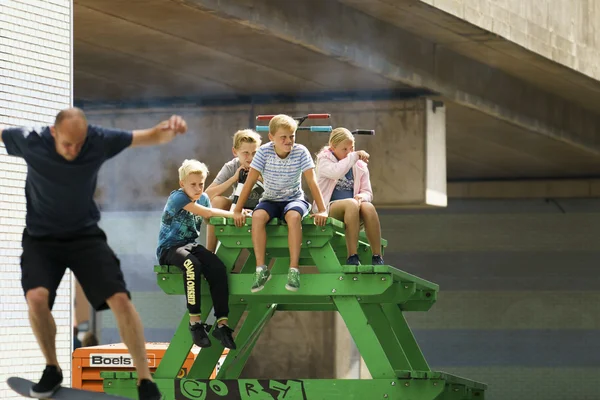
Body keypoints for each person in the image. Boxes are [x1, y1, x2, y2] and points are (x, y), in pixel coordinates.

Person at [0, 107, 187, 400]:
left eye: (79, 144)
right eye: (66, 144)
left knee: (121, 301)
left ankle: (145, 381)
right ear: (53, 133)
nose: (74, 150)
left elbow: (148, 137)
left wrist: (169, 129)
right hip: (41, 240)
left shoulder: (97, 139)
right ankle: (52, 368)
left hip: (85, 237)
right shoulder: (31, 139)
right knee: (36, 298)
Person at [232, 114, 328, 292]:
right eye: (283, 137)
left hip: (294, 199)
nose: (288, 141)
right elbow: (250, 181)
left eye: (291, 136)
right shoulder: (263, 152)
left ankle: (294, 269)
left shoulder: (301, 152)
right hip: (270, 200)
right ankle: (261, 269)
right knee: (258, 216)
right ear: (271, 138)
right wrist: (237, 210)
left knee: (293, 217)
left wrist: (322, 210)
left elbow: (312, 181)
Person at [156, 159, 242, 350]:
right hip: (170, 248)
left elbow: (211, 220)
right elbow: (208, 213)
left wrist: (211, 250)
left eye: (201, 184)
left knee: (218, 267)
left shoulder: (203, 197)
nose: (197, 188)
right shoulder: (177, 198)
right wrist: (235, 214)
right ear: (182, 184)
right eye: (193, 184)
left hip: (190, 245)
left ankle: (222, 323)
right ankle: (195, 323)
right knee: (191, 265)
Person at [315, 127, 384, 265]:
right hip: (329, 209)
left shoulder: (359, 165)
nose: (349, 152)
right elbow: (336, 172)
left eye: (351, 148)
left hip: (353, 211)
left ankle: (377, 256)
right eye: (344, 149)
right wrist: (353, 156)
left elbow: (368, 192)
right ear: (333, 148)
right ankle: (352, 255)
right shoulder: (324, 161)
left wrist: (362, 197)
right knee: (351, 203)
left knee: (368, 207)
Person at [204, 129, 264, 252]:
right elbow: (206, 196)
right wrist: (234, 178)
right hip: (237, 205)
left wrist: (259, 178)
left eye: (255, 153)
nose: (251, 158)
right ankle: (209, 253)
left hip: (262, 206)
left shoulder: (265, 164)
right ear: (235, 152)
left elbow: (277, 191)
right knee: (216, 202)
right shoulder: (231, 166)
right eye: (245, 153)